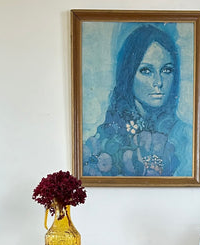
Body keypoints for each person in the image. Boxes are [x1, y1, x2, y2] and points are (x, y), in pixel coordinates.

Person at [83, 24, 193, 177]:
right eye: (146, 71)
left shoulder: (187, 137)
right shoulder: (102, 140)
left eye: (166, 70)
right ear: (128, 75)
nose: (158, 82)